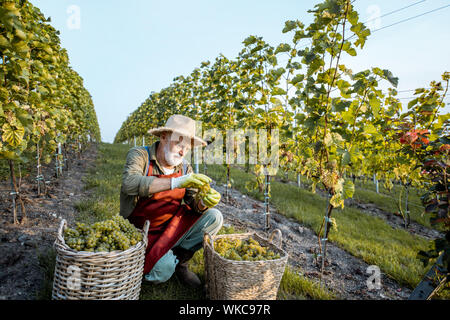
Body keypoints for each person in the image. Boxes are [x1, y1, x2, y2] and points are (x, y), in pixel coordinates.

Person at [119, 114, 223, 288]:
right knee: (162, 271)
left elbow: (193, 204)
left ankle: (181, 264)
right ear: (163, 137)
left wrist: (203, 202)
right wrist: (175, 182)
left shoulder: (184, 168)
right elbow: (129, 184)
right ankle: (158, 264)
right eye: (179, 144)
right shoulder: (140, 156)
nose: (182, 152)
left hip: (170, 228)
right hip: (140, 232)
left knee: (214, 216)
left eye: (187, 148)